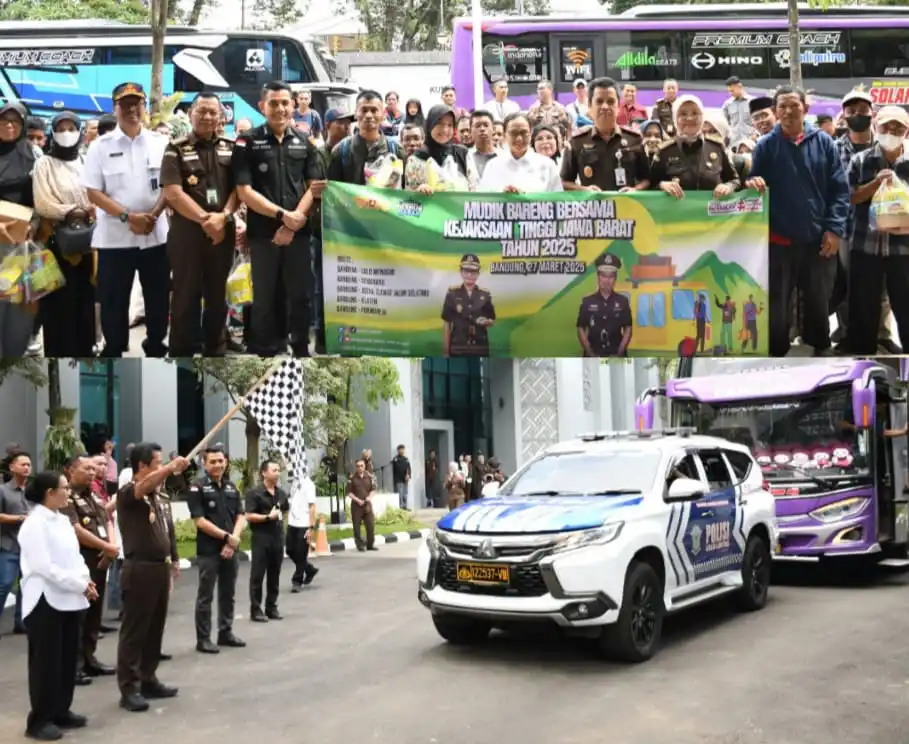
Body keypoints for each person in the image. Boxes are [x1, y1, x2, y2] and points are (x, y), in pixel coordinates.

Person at [745, 85, 850, 357]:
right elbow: (754, 183)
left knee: (819, 299)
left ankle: (820, 345)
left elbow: (839, 190)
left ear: (805, 108)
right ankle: (776, 351)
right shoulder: (766, 146)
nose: (788, 111)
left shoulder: (824, 142)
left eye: (794, 105)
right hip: (779, 239)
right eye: (782, 106)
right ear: (775, 111)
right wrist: (751, 182)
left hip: (818, 238)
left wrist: (834, 229)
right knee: (777, 302)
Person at [232, 80, 322, 356]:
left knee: (300, 295)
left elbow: (314, 187)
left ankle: (300, 349)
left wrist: (294, 222)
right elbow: (244, 191)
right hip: (263, 234)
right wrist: (283, 216)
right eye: (273, 103)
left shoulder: (305, 142)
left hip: (298, 233)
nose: (280, 108)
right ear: (262, 106)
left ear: (293, 105)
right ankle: (264, 350)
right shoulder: (247, 142)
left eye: (285, 103)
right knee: (264, 297)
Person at [81, 82, 170, 358]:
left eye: (137, 104)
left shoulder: (160, 143)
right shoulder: (100, 147)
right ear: (114, 108)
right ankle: (115, 348)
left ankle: (156, 346)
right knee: (113, 300)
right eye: (125, 104)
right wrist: (127, 216)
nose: (132, 109)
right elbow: (93, 192)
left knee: (158, 297)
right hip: (115, 238)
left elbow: (170, 186)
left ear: (145, 107)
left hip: (155, 235)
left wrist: (153, 216)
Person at [19, 470, 96, 742]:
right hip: (45, 600)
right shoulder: (34, 524)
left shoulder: (62, 520)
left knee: (66, 659)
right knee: (46, 663)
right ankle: (40, 719)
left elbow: (75, 557)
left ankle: (61, 710)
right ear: (49, 493)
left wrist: (85, 579)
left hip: (70, 598)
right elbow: (44, 567)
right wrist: (79, 584)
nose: (68, 492)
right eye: (64, 488)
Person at [161, 92, 239, 357]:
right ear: (190, 114)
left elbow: (239, 190)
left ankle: (215, 349)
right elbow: (172, 192)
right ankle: (183, 350)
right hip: (187, 234)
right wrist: (207, 220)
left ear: (221, 117)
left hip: (223, 232)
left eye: (213, 112)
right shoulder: (175, 148)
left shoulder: (231, 147)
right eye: (201, 111)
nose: (207, 117)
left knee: (217, 295)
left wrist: (223, 217)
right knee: (185, 294)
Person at [115, 443, 186, 713]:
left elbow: (168, 531)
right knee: (135, 631)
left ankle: (148, 678)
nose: (162, 467)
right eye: (157, 463)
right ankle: (129, 688)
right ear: (142, 466)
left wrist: (174, 558)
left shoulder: (159, 496)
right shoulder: (128, 493)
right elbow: (141, 487)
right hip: (139, 568)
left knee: (155, 628)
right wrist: (169, 469)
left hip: (159, 568)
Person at [32, 111, 97, 357]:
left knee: (84, 303)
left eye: (71, 128)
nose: (66, 134)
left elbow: (97, 195)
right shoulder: (44, 164)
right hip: (56, 245)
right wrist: (74, 211)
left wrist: (90, 209)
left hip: (87, 244)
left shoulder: (86, 161)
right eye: (61, 129)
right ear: (53, 132)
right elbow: (43, 204)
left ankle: (85, 354)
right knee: (58, 307)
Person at [845, 105, 909, 353]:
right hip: (866, 247)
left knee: (906, 307)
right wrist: (876, 184)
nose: (891, 132)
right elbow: (849, 197)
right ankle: (863, 358)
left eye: (898, 128)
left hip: (904, 250)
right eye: (885, 127)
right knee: (863, 310)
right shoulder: (860, 161)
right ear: (876, 127)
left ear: (906, 131)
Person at [61, 454, 118, 678]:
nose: (92, 473)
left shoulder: (93, 495)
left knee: (95, 612)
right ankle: (74, 666)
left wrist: (111, 547)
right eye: (87, 468)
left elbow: (107, 520)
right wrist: (106, 546)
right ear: (70, 470)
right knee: (79, 613)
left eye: (94, 469)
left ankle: (89, 658)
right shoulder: (67, 497)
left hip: (101, 558)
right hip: (80, 559)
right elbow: (75, 530)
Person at [185, 446, 246, 654]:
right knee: (206, 595)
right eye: (213, 461)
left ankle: (225, 632)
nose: (218, 465)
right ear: (204, 464)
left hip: (231, 549)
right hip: (209, 550)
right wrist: (226, 538)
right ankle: (203, 639)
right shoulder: (197, 488)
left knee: (228, 593)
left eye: (221, 461)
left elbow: (240, 516)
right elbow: (200, 521)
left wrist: (233, 540)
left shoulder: (231, 487)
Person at [0, 102, 40, 357]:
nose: (9, 125)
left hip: (23, 243)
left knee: (19, 309)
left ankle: (14, 361)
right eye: (4, 120)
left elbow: (41, 197)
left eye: (15, 121)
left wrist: (33, 226)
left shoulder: (33, 155)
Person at [561, 77, 650, 193]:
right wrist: (583, 189)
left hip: (627, 203)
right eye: (599, 102)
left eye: (610, 102)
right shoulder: (577, 142)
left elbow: (647, 179)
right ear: (590, 106)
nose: (605, 107)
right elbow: (564, 182)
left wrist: (635, 190)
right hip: (593, 204)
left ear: (618, 106)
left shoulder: (634, 139)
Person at [650, 94, 740, 201]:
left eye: (695, 113)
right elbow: (651, 184)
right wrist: (662, 185)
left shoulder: (717, 146)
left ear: (702, 117)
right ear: (675, 119)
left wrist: (728, 187)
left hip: (712, 210)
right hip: (676, 211)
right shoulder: (665, 151)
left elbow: (735, 180)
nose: (689, 118)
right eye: (683, 114)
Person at [244, 459, 288, 622]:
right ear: (264, 473)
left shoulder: (281, 493)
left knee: (274, 573)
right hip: (261, 537)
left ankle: (272, 606)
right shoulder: (254, 493)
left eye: (278, 470)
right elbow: (249, 516)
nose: (277, 473)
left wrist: (281, 523)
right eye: (274, 470)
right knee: (258, 574)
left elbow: (285, 511)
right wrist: (267, 517)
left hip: (277, 537)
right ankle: (256, 609)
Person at [480, 113, 562, 194]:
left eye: (523, 132)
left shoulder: (547, 165)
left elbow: (558, 199)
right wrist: (503, 196)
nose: (519, 138)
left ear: (531, 133)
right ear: (505, 135)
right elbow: (483, 198)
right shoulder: (493, 165)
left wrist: (526, 198)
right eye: (514, 133)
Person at [403, 104, 475, 192]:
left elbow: (474, 188)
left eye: (450, 125)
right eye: (439, 123)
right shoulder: (416, 159)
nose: (445, 130)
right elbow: (409, 194)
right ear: (430, 125)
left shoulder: (462, 153)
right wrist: (419, 190)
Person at [576, 252, 632, 357]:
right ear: (598, 277)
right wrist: (589, 352)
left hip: (616, 355)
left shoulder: (623, 301)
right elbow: (580, 328)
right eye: (604, 276)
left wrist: (620, 352)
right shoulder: (587, 301)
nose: (607, 280)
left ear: (615, 279)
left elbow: (628, 329)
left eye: (611, 276)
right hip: (593, 355)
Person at [0, 451, 31, 637]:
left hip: (29, 547)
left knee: (26, 585)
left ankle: (21, 622)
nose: (26, 468)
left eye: (29, 465)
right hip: (8, 545)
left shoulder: (33, 491)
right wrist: (20, 518)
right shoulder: (3, 490)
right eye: (23, 464)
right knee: (4, 584)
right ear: (12, 467)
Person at [441, 253, 496, 357]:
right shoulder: (452, 293)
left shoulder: (485, 294)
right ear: (461, 272)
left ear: (478, 274)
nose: (469, 275)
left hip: (480, 348)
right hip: (458, 349)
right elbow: (447, 324)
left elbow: (492, 319)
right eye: (466, 271)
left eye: (473, 271)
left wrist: (488, 322)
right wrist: (446, 353)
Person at [286, 472, 318, 592]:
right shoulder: (294, 483)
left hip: (304, 523)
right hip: (292, 522)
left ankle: (297, 581)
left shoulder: (309, 485)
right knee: (289, 550)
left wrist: (311, 527)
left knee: (301, 552)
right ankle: (309, 569)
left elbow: (312, 506)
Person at [347, 459, 377, 552]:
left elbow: (373, 489)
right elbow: (349, 493)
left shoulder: (369, 477)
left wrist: (369, 497)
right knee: (356, 527)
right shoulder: (352, 478)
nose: (360, 468)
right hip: (356, 506)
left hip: (367, 505)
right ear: (356, 467)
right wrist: (357, 500)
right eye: (358, 466)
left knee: (370, 525)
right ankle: (360, 545)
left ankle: (370, 545)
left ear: (364, 466)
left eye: (361, 466)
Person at [722, 75, 754, 144]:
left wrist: (756, 135)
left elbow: (758, 120)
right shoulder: (727, 104)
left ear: (740, 86)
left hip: (750, 142)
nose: (730, 94)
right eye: (729, 91)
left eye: (732, 91)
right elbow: (724, 123)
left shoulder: (753, 102)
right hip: (733, 142)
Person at [467, 110, 497, 179]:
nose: (482, 129)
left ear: (494, 129)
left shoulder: (503, 156)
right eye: (477, 126)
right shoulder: (465, 156)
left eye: (486, 125)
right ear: (470, 131)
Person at [391, 445, 411, 510]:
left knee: (405, 493)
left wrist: (408, 475)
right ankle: (400, 507)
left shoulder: (406, 459)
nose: (402, 451)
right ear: (398, 450)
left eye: (403, 449)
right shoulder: (395, 459)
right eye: (401, 449)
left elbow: (409, 468)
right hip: (398, 479)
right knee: (400, 494)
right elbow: (395, 469)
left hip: (405, 479)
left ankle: (405, 506)